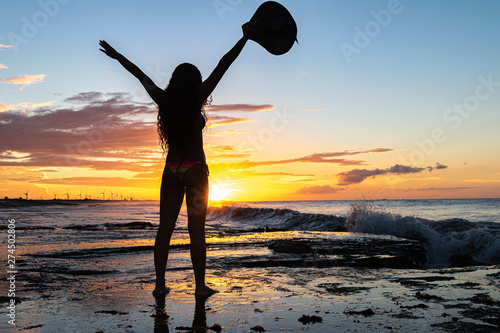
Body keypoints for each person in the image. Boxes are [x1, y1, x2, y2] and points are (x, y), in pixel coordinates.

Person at [99, 22, 254, 296]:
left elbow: (140, 75)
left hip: (171, 170)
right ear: (195, 81)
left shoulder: (163, 99)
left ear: (174, 80)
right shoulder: (197, 97)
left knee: (165, 230)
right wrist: (244, 38)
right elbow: (224, 64)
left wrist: (117, 56)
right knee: (196, 231)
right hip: (195, 170)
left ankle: (160, 286)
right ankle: (199, 287)